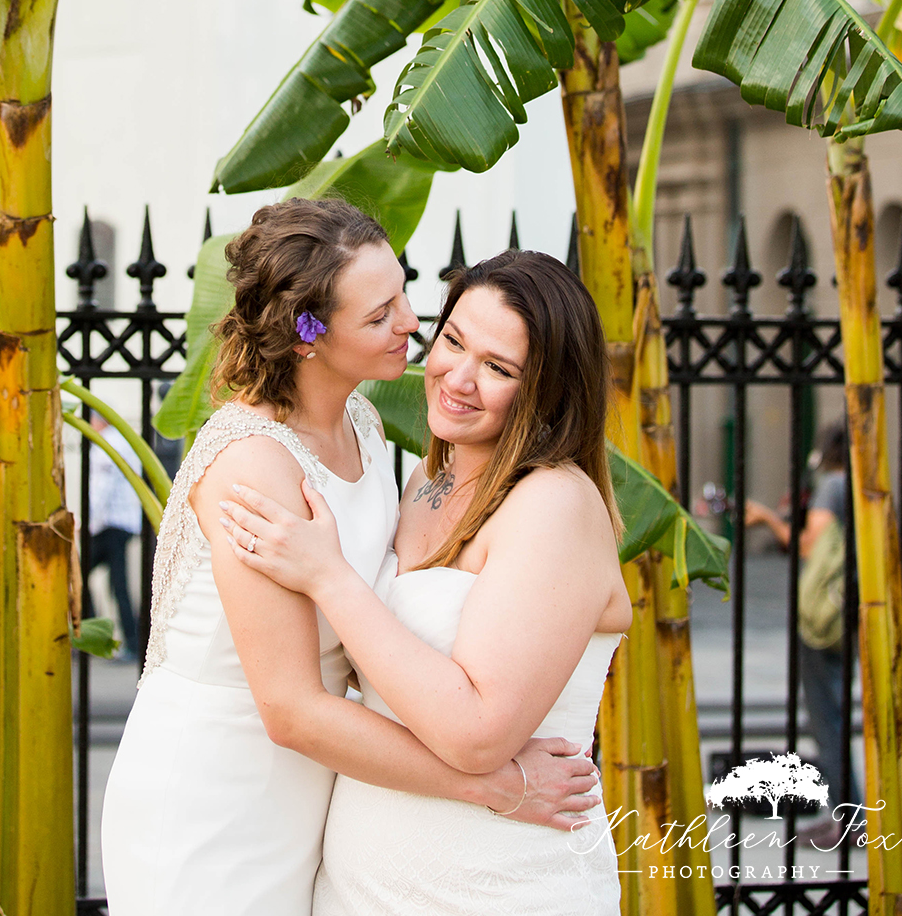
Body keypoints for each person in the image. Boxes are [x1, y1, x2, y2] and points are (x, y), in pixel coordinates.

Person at [101, 206, 603, 916]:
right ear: (310, 334)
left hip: (317, 788)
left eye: (404, 296)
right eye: (378, 316)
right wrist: (489, 785)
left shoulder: (365, 427)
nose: (410, 324)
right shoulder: (253, 463)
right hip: (221, 790)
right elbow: (290, 708)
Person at [221, 246, 632, 914]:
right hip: (361, 888)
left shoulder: (555, 503)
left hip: (498, 887)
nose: (458, 378)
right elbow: (390, 675)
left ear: (548, 389)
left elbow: (478, 733)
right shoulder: (425, 482)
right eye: (454, 341)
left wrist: (329, 577)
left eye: (498, 368)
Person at [744, 423, 861, 846]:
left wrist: (768, 519)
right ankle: (848, 813)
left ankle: (848, 818)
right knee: (833, 712)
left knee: (826, 716)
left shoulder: (833, 485)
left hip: (824, 616)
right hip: (849, 612)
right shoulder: (861, 484)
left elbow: (810, 544)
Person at [84, 414, 142, 663]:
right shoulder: (120, 441)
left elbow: (101, 490)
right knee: (116, 585)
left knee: (79, 577)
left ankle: (92, 637)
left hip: (109, 524)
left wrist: (87, 524)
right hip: (122, 523)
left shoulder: (107, 443)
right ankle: (125, 641)